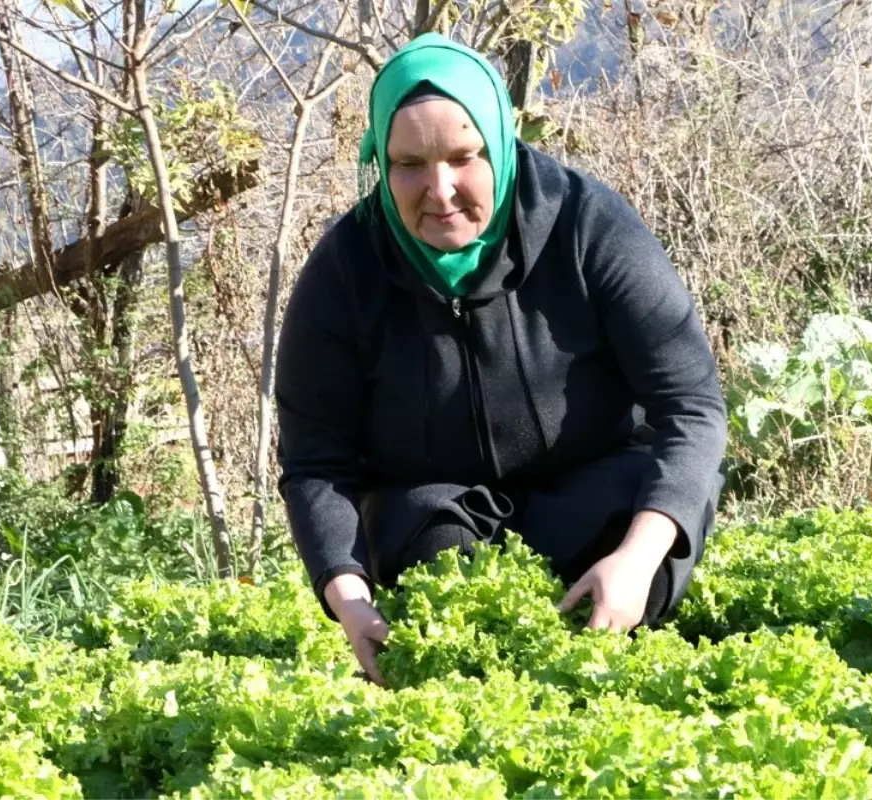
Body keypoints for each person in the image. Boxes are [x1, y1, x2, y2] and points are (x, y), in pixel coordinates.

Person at [274, 33, 727, 687]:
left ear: (501, 143)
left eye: (465, 156)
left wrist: (638, 554)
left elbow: (692, 405)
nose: (441, 189)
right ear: (379, 158)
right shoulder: (345, 270)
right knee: (427, 542)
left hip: (594, 497)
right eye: (408, 164)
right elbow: (316, 462)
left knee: (642, 523)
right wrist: (345, 595)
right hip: (441, 515)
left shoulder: (589, 225)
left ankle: (615, 629)